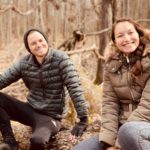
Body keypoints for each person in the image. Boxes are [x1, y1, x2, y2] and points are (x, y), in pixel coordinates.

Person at [0, 28, 88, 150]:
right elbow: (3, 79)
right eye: (33, 43)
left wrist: (83, 119)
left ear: (46, 41)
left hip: (51, 117)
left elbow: (75, 87)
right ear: (28, 48)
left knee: (37, 141)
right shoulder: (24, 63)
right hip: (30, 110)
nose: (38, 45)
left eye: (41, 40)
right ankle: (10, 142)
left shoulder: (62, 60)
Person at [72, 18, 150, 150]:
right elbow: (110, 105)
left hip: (144, 126)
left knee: (128, 132)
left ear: (139, 34)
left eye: (130, 33)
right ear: (114, 42)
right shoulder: (111, 66)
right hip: (121, 128)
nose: (126, 38)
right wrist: (109, 142)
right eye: (120, 36)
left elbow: (147, 108)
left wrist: (120, 142)